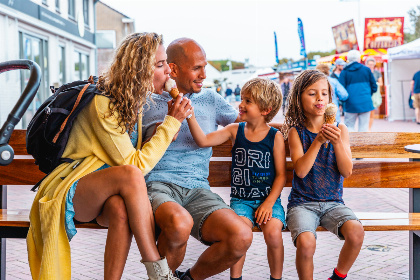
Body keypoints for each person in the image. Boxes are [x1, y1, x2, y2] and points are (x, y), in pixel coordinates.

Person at [27, 32, 192, 280]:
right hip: (70, 188)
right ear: (139, 70)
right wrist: (169, 125)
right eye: (159, 65)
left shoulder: (131, 101)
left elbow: (124, 156)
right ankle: (158, 271)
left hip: (104, 191)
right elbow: (135, 166)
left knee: (119, 209)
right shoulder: (103, 103)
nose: (168, 71)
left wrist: (159, 134)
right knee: (130, 173)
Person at [142, 38, 252, 280]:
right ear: (173, 69)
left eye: (204, 67)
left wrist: (293, 129)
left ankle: (188, 278)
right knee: (180, 225)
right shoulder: (145, 102)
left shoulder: (211, 99)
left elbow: (248, 124)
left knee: (241, 236)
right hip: (157, 186)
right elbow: (127, 152)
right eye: (196, 68)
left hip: (197, 189)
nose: (204, 74)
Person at [187, 78, 287, 280]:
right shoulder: (235, 130)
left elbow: (281, 176)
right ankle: (236, 278)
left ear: (265, 109)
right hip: (241, 201)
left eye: (248, 101)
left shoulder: (274, 137)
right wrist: (189, 116)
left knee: (274, 234)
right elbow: (203, 140)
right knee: (238, 233)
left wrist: (268, 204)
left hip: (269, 200)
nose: (241, 105)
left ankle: (276, 278)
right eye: (242, 99)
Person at [282, 70, 364, 280]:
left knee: (356, 233)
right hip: (302, 203)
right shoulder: (295, 132)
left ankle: (337, 276)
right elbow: (300, 171)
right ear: (299, 98)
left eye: (325, 93)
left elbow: (346, 171)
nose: (320, 98)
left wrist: (336, 142)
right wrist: (318, 141)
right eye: (312, 93)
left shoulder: (340, 129)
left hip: (333, 203)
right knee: (306, 243)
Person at [339, 50, 377, 132]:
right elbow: (374, 86)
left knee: (349, 127)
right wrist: (367, 95)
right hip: (365, 102)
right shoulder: (366, 70)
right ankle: (362, 144)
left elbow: (341, 90)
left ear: (348, 59)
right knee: (364, 128)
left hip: (350, 103)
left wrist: (343, 101)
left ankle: (350, 144)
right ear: (359, 59)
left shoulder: (344, 71)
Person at [366, 57, 383, 131]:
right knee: (365, 113)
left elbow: (381, 83)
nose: (371, 66)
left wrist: (374, 84)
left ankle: (369, 128)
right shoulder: (365, 72)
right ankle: (365, 128)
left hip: (374, 95)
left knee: (372, 113)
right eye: (369, 64)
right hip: (366, 94)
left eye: (372, 65)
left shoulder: (377, 73)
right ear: (367, 65)